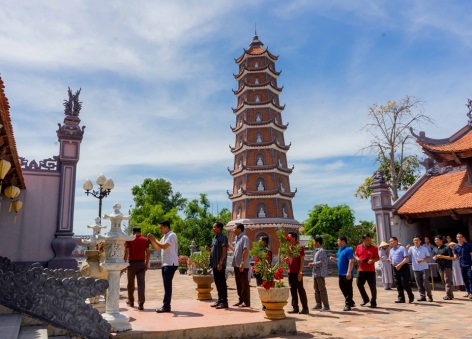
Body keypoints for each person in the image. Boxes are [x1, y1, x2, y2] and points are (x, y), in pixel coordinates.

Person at [148, 220, 178, 313]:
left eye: (161, 227)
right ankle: (166, 305)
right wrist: (152, 240)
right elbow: (157, 247)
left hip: (170, 264)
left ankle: (166, 306)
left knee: (167, 286)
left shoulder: (172, 235)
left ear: (166, 227)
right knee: (166, 285)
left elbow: (164, 246)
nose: (160, 229)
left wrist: (154, 239)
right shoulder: (165, 236)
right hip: (166, 264)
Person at [124, 226, 150, 310]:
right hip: (141, 263)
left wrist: (124, 264)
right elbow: (148, 253)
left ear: (133, 232)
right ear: (140, 231)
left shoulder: (129, 239)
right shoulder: (145, 240)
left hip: (131, 264)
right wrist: (146, 264)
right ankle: (141, 303)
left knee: (130, 284)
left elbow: (127, 252)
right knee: (141, 284)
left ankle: (131, 300)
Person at [330, 235, 355, 311]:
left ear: (343, 241)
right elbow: (341, 260)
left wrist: (349, 271)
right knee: (342, 287)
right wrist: (335, 260)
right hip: (341, 273)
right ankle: (350, 301)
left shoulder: (348, 250)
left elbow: (351, 260)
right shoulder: (340, 250)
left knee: (348, 288)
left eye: (338, 241)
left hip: (347, 273)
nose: (337, 242)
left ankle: (348, 304)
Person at [206, 222, 228, 309]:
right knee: (217, 283)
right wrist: (210, 250)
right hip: (214, 264)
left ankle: (224, 301)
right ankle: (219, 300)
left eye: (214, 227)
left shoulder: (222, 237)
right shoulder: (215, 237)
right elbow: (216, 250)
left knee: (222, 283)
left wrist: (221, 262)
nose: (213, 229)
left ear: (219, 228)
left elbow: (224, 250)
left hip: (219, 264)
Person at [355, 234, 379, 308]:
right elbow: (355, 255)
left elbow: (377, 258)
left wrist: (372, 260)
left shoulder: (373, 248)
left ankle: (373, 301)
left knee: (372, 287)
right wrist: (357, 259)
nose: (369, 241)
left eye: (370, 240)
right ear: (364, 240)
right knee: (359, 284)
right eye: (368, 240)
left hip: (370, 271)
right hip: (361, 269)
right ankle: (365, 299)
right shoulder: (359, 247)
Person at [387, 236, 414, 303]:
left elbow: (406, 258)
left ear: (396, 241)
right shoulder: (391, 250)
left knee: (405, 283)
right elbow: (391, 259)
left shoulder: (402, 248)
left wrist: (400, 265)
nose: (391, 243)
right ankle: (401, 298)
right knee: (398, 283)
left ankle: (410, 295)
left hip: (403, 267)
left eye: (392, 241)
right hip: (395, 268)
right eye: (390, 242)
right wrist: (389, 260)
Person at [287, 232, 309, 314]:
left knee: (300, 289)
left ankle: (305, 308)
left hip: (297, 272)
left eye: (289, 237)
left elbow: (302, 260)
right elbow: (290, 259)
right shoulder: (290, 247)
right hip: (290, 272)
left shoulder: (299, 247)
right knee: (292, 290)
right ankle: (295, 307)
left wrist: (300, 271)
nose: (288, 239)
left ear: (294, 238)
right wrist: (286, 259)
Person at [308, 235, 330, 311]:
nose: (313, 243)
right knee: (316, 289)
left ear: (318, 242)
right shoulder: (316, 250)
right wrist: (313, 265)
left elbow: (323, 262)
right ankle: (318, 304)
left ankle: (326, 306)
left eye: (314, 242)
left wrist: (313, 264)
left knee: (322, 289)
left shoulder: (321, 251)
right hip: (315, 273)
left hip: (320, 273)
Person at [408, 235, 433, 302]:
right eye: (414, 240)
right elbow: (407, 256)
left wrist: (422, 260)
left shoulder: (424, 248)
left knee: (426, 282)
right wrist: (407, 249)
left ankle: (429, 296)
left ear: (420, 241)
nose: (416, 241)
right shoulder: (411, 248)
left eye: (417, 240)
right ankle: (422, 296)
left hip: (424, 267)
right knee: (419, 283)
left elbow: (428, 257)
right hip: (416, 268)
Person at [231, 223, 250, 307]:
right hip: (236, 264)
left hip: (242, 265)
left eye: (234, 228)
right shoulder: (237, 239)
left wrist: (242, 262)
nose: (233, 230)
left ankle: (246, 302)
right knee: (238, 283)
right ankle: (240, 300)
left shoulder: (244, 238)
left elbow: (245, 250)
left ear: (239, 229)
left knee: (244, 284)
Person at [432, 235, 454, 300]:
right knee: (444, 281)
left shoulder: (447, 247)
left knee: (447, 280)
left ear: (441, 240)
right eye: (435, 240)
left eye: (437, 240)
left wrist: (442, 256)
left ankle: (448, 295)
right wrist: (435, 258)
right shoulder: (435, 248)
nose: (436, 241)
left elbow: (452, 257)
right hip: (440, 266)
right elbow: (434, 256)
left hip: (447, 266)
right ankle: (450, 294)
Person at [453, 233, 472, 298]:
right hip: (461, 265)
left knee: (470, 278)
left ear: (463, 238)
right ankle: (468, 292)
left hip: (469, 264)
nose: (459, 238)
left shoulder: (468, 245)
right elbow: (455, 256)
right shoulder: (456, 246)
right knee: (465, 279)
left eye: (460, 237)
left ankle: (471, 292)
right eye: (457, 237)